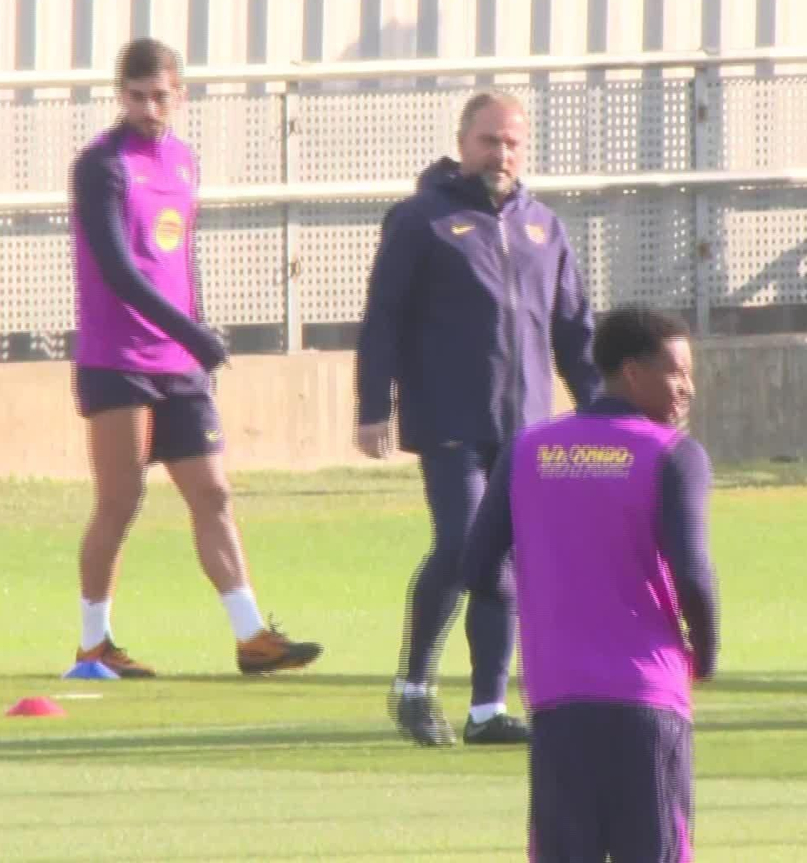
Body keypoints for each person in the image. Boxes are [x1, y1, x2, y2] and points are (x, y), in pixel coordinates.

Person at [68, 37, 321, 678]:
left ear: (180, 95)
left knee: (213, 493)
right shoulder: (101, 165)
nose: (149, 109)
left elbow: (179, 259)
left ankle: (251, 637)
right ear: (120, 96)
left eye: (160, 96)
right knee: (121, 500)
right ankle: (94, 644)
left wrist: (195, 333)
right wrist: (192, 331)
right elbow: (119, 269)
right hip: (118, 358)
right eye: (136, 97)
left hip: (177, 361)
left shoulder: (182, 161)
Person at [355, 90, 601, 746]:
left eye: (512, 143)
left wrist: (604, 411)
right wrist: (373, 406)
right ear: (463, 142)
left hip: (525, 429)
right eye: (489, 141)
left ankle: (488, 709)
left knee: (509, 558)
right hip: (450, 419)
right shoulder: (422, 220)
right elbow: (383, 318)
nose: (501, 154)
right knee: (466, 545)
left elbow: (574, 330)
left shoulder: (544, 227)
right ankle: (413, 687)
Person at [464, 307, 719, 863]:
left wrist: (548, 602)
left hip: (559, 702)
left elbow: (478, 568)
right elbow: (694, 575)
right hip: (648, 699)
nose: (688, 388)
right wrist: (706, 652)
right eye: (677, 372)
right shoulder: (673, 455)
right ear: (633, 372)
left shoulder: (529, 449)